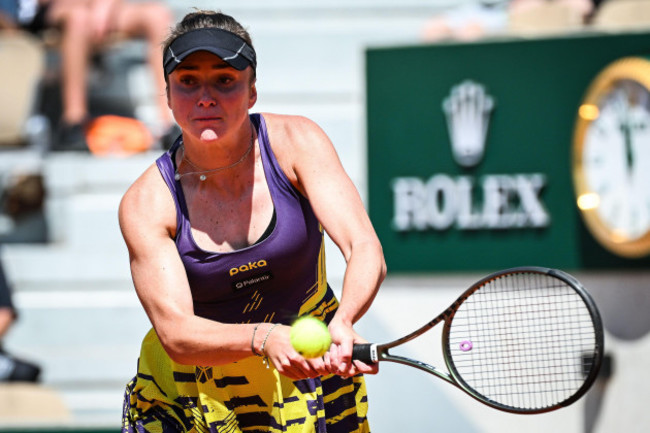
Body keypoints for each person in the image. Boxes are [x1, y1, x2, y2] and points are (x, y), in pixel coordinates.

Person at [119, 9, 386, 432]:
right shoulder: (146, 202)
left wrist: (345, 321)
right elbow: (176, 333)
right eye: (188, 81)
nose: (205, 96)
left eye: (225, 80)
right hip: (193, 391)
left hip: (310, 374)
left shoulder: (298, 142)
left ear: (252, 91)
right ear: (167, 96)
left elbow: (363, 247)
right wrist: (263, 337)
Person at [11, 0, 175, 151]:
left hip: (102, 9)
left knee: (156, 15)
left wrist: (106, 5)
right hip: (55, 10)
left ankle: (167, 124)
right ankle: (73, 123)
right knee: (80, 19)